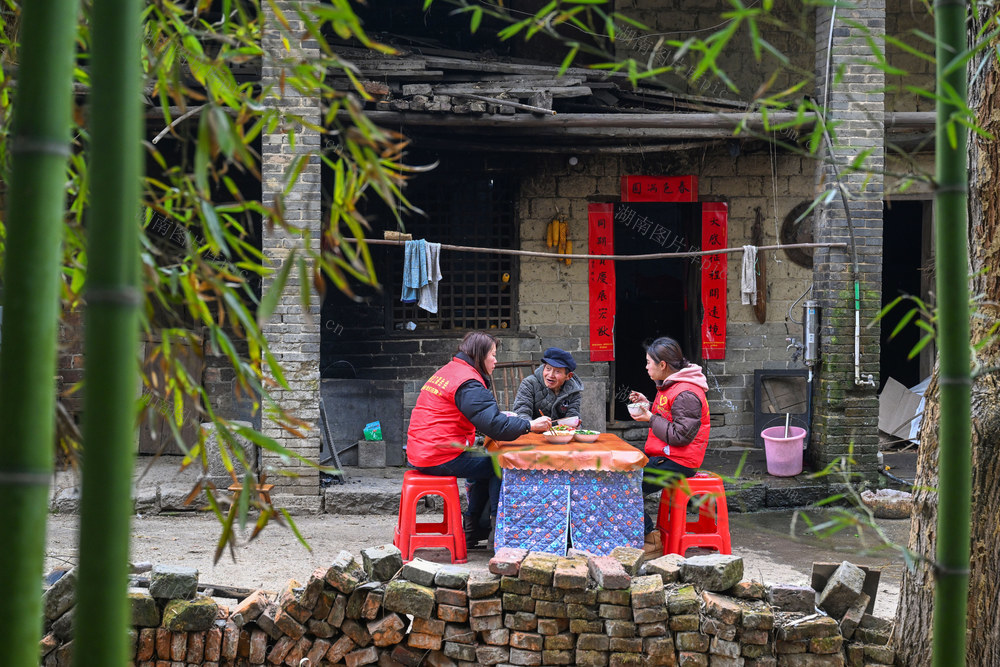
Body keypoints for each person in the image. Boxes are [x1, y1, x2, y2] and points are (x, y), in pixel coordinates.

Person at [407, 331, 552, 549]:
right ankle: (498, 533)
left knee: (486, 462)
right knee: (499, 464)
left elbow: (486, 418)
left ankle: (472, 530)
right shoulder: (468, 382)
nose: (495, 360)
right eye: (492, 355)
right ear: (479, 355)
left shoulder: (451, 370)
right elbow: (495, 425)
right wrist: (530, 425)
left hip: (423, 450)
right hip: (438, 455)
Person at [628, 336, 711, 558]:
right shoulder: (672, 386)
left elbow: (680, 435)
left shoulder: (686, 393)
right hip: (667, 457)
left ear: (662, 365)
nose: (645, 367)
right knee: (624, 475)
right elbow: (668, 416)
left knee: (624, 485)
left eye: (648, 362)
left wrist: (649, 418)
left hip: (678, 462)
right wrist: (647, 405)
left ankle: (650, 539)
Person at [511, 347, 584, 422]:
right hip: (532, 431)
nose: (550, 375)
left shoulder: (573, 391)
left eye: (557, 371)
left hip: (561, 433)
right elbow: (521, 414)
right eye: (548, 368)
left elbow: (572, 417)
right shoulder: (529, 384)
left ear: (569, 376)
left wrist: (575, 424)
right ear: (543, 367)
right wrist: (533, 425)